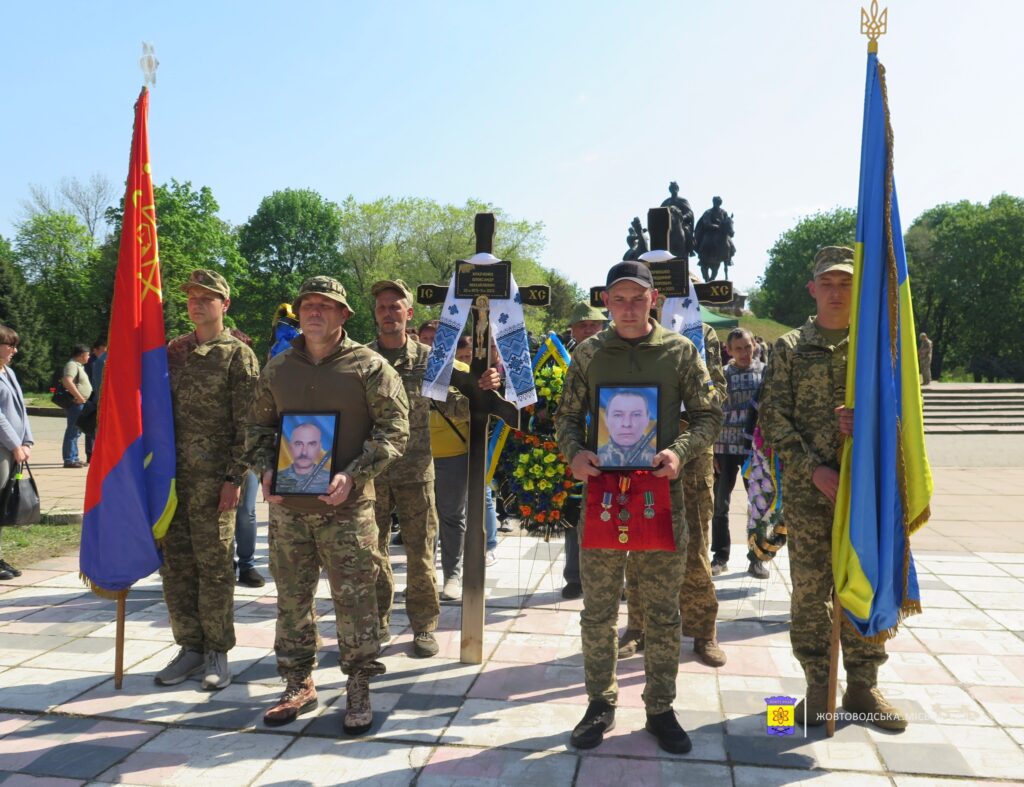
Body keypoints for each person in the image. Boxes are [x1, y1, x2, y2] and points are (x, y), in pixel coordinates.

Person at [555, 261, 723, 753]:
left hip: (659, 496)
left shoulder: (679, 351)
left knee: (663, 611)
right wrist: (574, 453)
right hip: (604, 496)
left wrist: (681, 451)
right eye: (618, 298)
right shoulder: (588, 353)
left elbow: (709, 415)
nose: (628, 307)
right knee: (599, 610)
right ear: (606, 301)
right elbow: (566, 415)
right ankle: (599, 702)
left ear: (655, 301)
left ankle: (660, 707)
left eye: (637, 297)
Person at [247, 275, 409, 735]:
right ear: (298, 313)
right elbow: (257, 429)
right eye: (308, 305)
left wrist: (353, 474)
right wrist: (265, 467)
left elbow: (395, 430)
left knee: (355, 600)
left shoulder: (370, 367)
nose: (315, 312)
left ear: (343, 314)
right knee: (291, 600)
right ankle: (297, 681)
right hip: (289, 510)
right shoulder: (278, 368)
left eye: (326, 305)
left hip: (348, 510)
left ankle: (359, 682)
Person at [760, 246, 908, 731]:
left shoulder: (877, 348)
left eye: (846, 283)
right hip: (809, 493)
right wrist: (812, 469)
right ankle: (816, 689)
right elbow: (772, 418)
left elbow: (903, 414)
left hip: (865, 491)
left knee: (865, 578)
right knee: (810, 592)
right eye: (828, 283)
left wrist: (866, 422)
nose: (837, 291)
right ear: (813, 288)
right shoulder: (789, 347)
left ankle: (863, 688)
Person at [155, 270, 260, 692]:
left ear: (224, 304)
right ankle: (190, 647)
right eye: (192, 297)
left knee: (215, 567)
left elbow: (249, 425)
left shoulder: (238, 355)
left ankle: (217, 651)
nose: (197, 304)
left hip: (215, 482)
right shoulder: (172, 351)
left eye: (207, 297)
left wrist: (235, 478)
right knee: (175, 566)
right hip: (171, 482)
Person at [620, 313, 729, 668]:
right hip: (638, 448)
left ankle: (702, 630)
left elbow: (717, 395)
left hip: (692, 454)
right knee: (638, 536)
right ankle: (638, 626)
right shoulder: (629, 335)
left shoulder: (701, 333)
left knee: (695, 542)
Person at [712, 328, 766, 578]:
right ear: (729, 350)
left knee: (757, 504)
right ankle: (720, 556)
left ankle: (757, 557)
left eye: (748, 346)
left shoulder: (765, 374)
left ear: (754, 345)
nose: (744, 353)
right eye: (738, 348)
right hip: (724, 449)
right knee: (720, 505)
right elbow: (712, 414)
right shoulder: (722, 376)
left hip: (754, 450)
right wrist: (711, 451)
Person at [561, 302, 607, 600]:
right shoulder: (559, 359)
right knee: (573, 512)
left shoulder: (616, 355)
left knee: (616, 511)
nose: (589, 329)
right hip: (576, 448)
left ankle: (619, 580)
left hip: (614, 448)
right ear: (573, 330)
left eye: (594, 324)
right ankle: (574, 576)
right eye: (583, 325)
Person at [227, 328, 263, 589]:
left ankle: (247, 564)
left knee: (245, 512)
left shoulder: (252, 376)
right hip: (213, 455)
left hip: (245, 455)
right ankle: (225, 562)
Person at [0, 325, 33, 580]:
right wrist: (15, 444)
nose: (15, 350)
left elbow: (21, 409)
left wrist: (27, 441)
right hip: (3, 448)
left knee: (3, 502)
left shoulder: (8, 372)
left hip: (14, 449)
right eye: (10, 345)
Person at [597, 390, 656, 466]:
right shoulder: (594, 459)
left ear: (647, 419)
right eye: (618, 415)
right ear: (606, 419)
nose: (627, 424)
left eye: (636, 415)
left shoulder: (659, 459)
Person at [274, 422, 332, 494]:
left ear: (319, 447)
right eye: (298, 444)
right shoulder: (277, 479)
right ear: (290, 446)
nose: (304, 452)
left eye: (311, 444)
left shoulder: (331, 480)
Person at [60, 344, 91, 468]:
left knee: (76, 431)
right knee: (72, 431)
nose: (89, 357)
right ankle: (69, 459)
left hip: (80, 403)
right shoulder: (72, 365)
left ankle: (74, 457)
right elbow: (67, 381)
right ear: (81, 355)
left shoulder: (78, 366)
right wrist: (79, 397)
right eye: (87, 355)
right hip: (76, 404)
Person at [81, 338, 107, 464]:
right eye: (103, 349)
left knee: (93, 428)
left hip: (92, 396)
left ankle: (92, 454)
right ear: (95, 349)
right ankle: (90, 454)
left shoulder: (98, 361)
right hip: (92, 398)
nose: (105, 351)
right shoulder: (94, 362)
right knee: (91, 427)